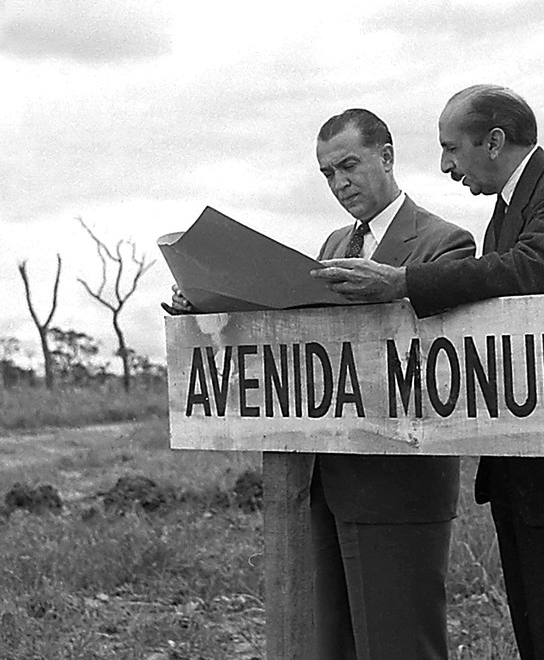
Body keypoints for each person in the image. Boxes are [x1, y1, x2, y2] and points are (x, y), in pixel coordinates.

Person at [313, 85, 544, 660]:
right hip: (531, 475)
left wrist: (402, 283)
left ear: (494, 141)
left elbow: (531, 270)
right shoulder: (506, 211)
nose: (447, 166)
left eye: (452, 148)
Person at [172, 108, 476, 660]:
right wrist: (209, 304)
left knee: (400, 645)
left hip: (400, 486)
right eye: (328, 174)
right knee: (330, 645)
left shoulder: (445, 243)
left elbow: (438, 353)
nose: (340, 184)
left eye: (350, 166)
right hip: (326, 480)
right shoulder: (335, 243)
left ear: (386, 157)